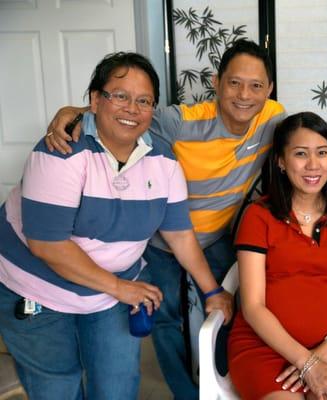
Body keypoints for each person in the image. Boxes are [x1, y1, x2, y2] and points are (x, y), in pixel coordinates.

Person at [44, 39, 285, 399]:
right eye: (234, 83)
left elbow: (301, 146)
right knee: (166, 317)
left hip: (217, 236)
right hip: (162, 239)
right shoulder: (179, 121)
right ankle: (185, 392)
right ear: (217, 83)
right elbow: (124, 113)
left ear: (269, 90)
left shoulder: (273, 117)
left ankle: (219, 386)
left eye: (256, 86)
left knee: (227, 311)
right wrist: (74, 111)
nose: (244, 95)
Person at [0, 52, 232, 399]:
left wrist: (213, 292)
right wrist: (120, 288)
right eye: (120, 96)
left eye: (144, 101)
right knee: (57, 388)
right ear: (95, 99)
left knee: (118, 387)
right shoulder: (60, 150)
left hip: (110, 294)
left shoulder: (163, 161)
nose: (132, 109)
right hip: (37, 290)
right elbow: (47, 245)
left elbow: (180, 234)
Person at [228, 112, 327, 399]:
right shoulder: (259, 216)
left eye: (322, 153)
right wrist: (306, 362)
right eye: (300, 154)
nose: (313, 164)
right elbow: (253, 305)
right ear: (281, 162)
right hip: (264, 347)